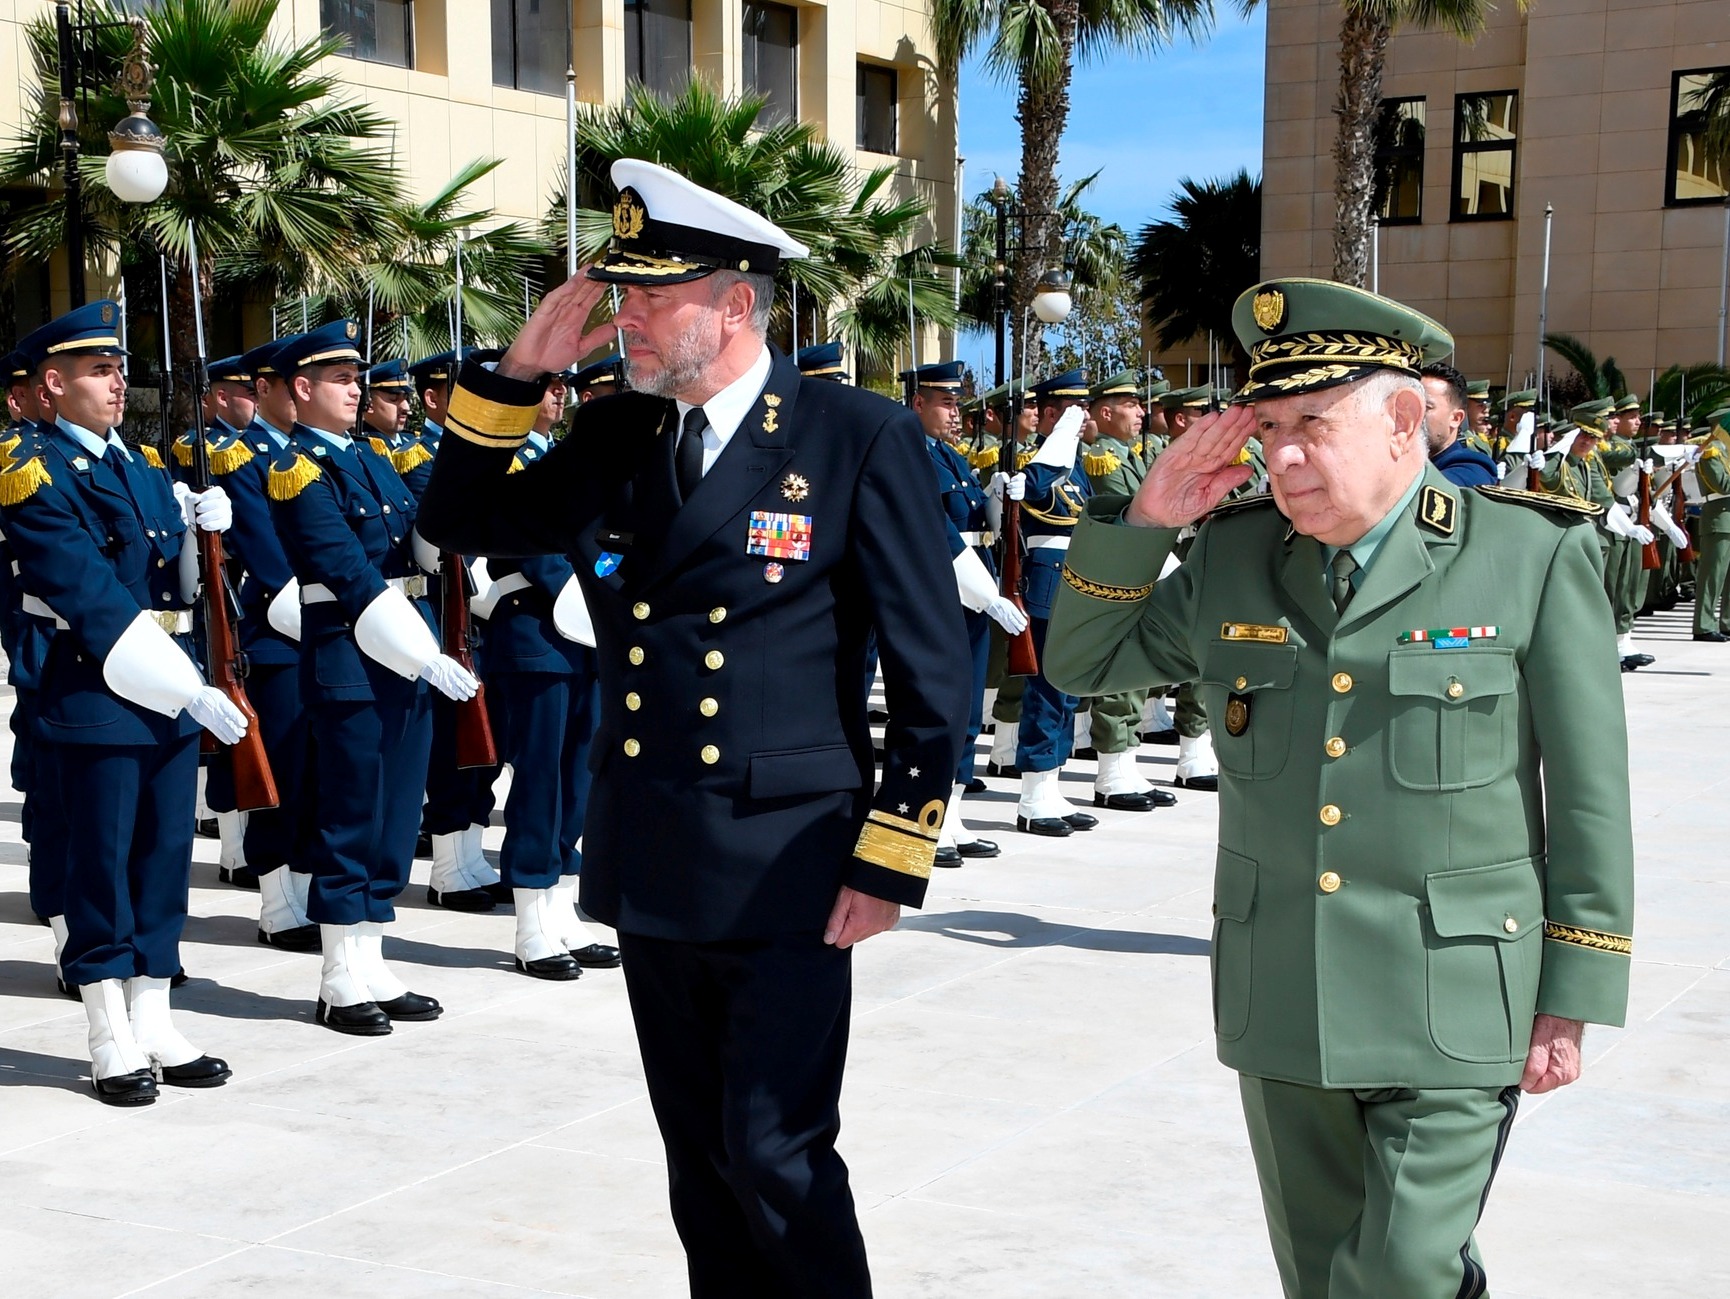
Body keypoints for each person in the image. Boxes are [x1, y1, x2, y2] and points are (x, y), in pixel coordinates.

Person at [417, 158, 968, 1296]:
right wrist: (518, 376)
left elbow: (930, 673)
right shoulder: (620, 433)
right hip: (656, 845)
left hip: (791, 858)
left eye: (648, 298)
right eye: (620, 296)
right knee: (698, 1163)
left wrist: (892, 859)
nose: (623, 318)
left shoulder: (849, 432)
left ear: (732, 304)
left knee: (777, 1154)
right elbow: (463, 518)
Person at [1043, 278, 1634, 1299]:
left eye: (1309, 424)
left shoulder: (1527, 552)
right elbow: (1082, 668)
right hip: (1284, 987)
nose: (1279, 457)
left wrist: (1573, 993)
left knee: (1401, 1273)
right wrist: (1145, 521)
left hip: (1454, 996)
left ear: (1402, 418)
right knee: (1321, 1279)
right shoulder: (1232, 559)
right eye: (1265, 427)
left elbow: (1588, 794)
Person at [3, 301, 247, 1105]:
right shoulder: (27, 466)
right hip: (93, 689)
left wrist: (202, 530)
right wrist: (190, 687)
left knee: (163, 859)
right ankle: (108, 1029)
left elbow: (176, 589)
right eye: (100, 371)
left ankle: (156, 1016)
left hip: (169, 685)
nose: (118, 383)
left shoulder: (141, 466)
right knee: (100, 865)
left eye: (119, 369)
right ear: (52, 382)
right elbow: (92, 597)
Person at [266, 321, 478, 1035]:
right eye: (341, 379)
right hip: (354, 660)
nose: (357, 389)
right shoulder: (297, 468)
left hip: (403, 655)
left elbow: (414, 542)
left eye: (358, 377)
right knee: (352, 815)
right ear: (303, 388)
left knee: (393, 818)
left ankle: (372, 958)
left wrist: (449, 515)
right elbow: (350, 575)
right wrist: (423, 654)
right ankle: (337, 974)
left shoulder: (371, 458)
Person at [469, 367, 620, 977]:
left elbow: (608, 539)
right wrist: (597, 592)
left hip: (585, 634)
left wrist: (613, 582)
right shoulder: (509, 463)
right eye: (547, 387)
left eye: (562, 388)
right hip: (539, 633)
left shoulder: (566, 460)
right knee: (539, 780)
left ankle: (560, 904)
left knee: (579, 774)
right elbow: (535, 548)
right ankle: (531, 916)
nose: (558, 396)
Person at [909, 358, 1024, 864]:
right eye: (947, 403)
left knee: (968, 709)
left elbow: (978, 526)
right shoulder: (911, 457)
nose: (956, 413)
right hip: (943, 593)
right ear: (918, 403)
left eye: (958, 403)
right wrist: (987, 592)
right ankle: (923, 821)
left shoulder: (950, 458)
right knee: (939, 710)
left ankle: (949, 814)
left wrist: (999, 498)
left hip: (972, 596)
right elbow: (938, 534)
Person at [1011, 369, 1102, 836]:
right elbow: (1039, 488)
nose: (1082, 418)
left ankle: (1051, 784)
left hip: (1074, 583)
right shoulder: (1036, 461)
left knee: (1067, 688)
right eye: (1072, 410)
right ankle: (1032, 796)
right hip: (1046, 586)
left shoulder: (1078, 463)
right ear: (1050, 414)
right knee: (1047, 688)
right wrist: (1063, 434)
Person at [1081, 370, 1173, 812]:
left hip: (1146, 566)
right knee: (1122, 670)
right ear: (1105, 411)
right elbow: (1132, 510)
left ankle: (1126, 761)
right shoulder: (1104, 458)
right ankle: (1111, 769)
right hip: (1123, 570)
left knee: (1138, 671)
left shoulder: (1133, 455)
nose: (1141, 412)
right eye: (1131, 405)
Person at [1421, 362, 1498, 487]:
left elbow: (1430, 493)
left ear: (1456, 418)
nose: (1414, 413)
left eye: (1426, 407)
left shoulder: (1472, 467)